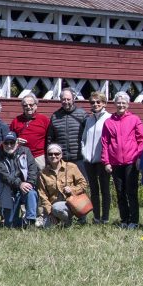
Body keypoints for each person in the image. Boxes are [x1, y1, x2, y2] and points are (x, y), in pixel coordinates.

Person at [101, 92, 143, 229]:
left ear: (128, 104)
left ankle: (134, 220)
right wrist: (106, 162)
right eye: (118, 102)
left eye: (123, 103)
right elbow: (105, 143)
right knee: (120, 193)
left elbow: (141, 140)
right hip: (115, 163)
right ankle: (124, 219)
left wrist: (139, 157)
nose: (121, 105)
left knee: (131, 192)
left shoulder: (134, 119)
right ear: (115, 104)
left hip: (131, 162)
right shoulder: (109, 122)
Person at [47, 91, 86, 223]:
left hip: (78, 157)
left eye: (68, 99)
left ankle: (82, 216)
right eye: (63, 99)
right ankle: (64, 216)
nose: (66, 102)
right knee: (62, 188)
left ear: (73, 99)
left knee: (79, 188)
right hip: (61, 159)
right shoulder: (55, 116)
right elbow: (50, 138)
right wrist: (50, 157)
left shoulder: (82, 114)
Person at [79, 92, 113, 224]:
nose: (95, 104)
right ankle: (96, 217)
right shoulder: (89, 120)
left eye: (98, 102)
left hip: (103, 160)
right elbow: (84, 138)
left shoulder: (109, 118)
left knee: (105, 189)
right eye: (93, 102)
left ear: (104, 103)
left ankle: (105, 217)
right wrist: (84, 152)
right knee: (93, 189)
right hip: (89, 160)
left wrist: (108, 158)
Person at [0, 134, 39, 228]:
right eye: (6, 143)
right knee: (9, 224)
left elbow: (33, 169)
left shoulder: (26, 151)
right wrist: (20, 183)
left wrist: (28, 184)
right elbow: (5, 176)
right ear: (3, 143)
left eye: (12, 143)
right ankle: (22, 222)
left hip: (25, 188)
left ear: (17, 143)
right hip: (9, 191)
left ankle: (31, 221)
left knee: (31, 193)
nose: (9, 145)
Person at [37, 143, 89, 228]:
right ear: (47, 156)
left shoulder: (71, 167)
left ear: (61, 155)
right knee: (47, 228)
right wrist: (50, 213)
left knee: (57, 208)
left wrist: (72, 189)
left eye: (56, 154)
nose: (53, 156)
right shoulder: (43, 173)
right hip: (53, 206)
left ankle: (71, 221)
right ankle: (62, 219)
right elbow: (43, 195)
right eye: (50, 154)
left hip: (71, 203)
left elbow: (83, 184)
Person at [11, 94, 51, 163]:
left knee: (42, 173)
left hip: (39, 156)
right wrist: (16, 140)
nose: (28, 107)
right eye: (25, 105)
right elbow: (10, 137)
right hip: (22, 155)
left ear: (36, 106)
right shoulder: (16, 120)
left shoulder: (43, 119)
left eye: (31, 105)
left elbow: (51, 137)